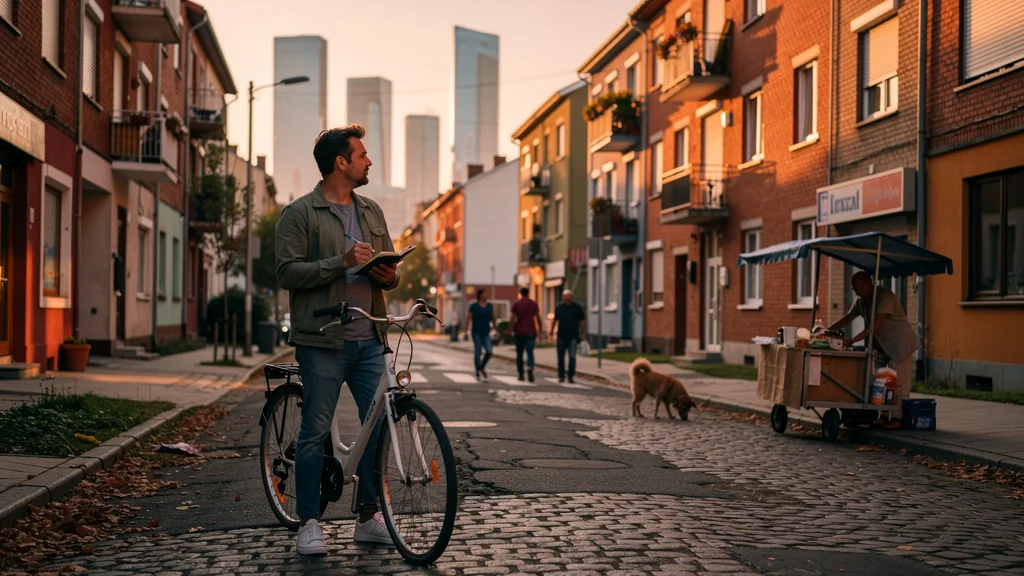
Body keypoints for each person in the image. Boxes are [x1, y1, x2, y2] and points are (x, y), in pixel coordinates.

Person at [276, 125, 401, 556]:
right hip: (323, 339)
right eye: (362, 155)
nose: (369, 161)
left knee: (377, 428)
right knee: (314, 432)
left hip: (370, 337)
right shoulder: (300, 213)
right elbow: (287, 273)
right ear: (340, 163)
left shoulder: (371, 211)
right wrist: (339, 263)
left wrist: (390, 273)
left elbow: (390, 268)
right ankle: (309, 522)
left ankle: (368, 517)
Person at [829, 271, 919, 425]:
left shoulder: (885, 297)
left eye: (856, 287)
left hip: (899, 343)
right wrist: (828, 331)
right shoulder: (862, 300)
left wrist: (852, 340)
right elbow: (849, 317)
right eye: (853, 287)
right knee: (880, 381)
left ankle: (898, 418)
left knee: (898, 382)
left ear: (867, 284)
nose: (854, 290)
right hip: (882, 345)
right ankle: (883, 415)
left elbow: (877, 324)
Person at [550, 289, 586, 383]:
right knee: (560, 357)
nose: (567, 299)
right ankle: (561, 376)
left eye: (568, 297)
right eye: (565, 297)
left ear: (572, 297)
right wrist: (551, 332)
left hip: (573, 336)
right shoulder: (559, 307)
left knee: (572, 357)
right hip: (561, 335)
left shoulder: (577, 308)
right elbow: (555, 320)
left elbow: (582, 321)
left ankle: (570, 376)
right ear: (563, 297)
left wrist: (583, 332)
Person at [509, 287, 542, 382]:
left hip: (519, 332)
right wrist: (540, 329)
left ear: (520, 293)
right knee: (530, 352)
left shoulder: (516, 304)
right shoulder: (533, 304)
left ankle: (521, 374)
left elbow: (513, 318)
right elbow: (538, 317)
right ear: (528, 293)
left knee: (519, 354)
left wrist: (509, 330)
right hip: (531, 331)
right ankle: (530, 366)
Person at [465, 288, 495, 380]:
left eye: (486, 294)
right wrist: (465, 331)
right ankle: (477, 371)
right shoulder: (474, 306)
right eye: (483, 294)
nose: (485, 296)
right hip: (476, 332)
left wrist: (495, 327)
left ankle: (481, 366)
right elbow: (468, 318)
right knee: (478, 351)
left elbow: (493, 317)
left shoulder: (489, 306)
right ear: (480, 295)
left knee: (489, 351)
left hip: (486, 332)